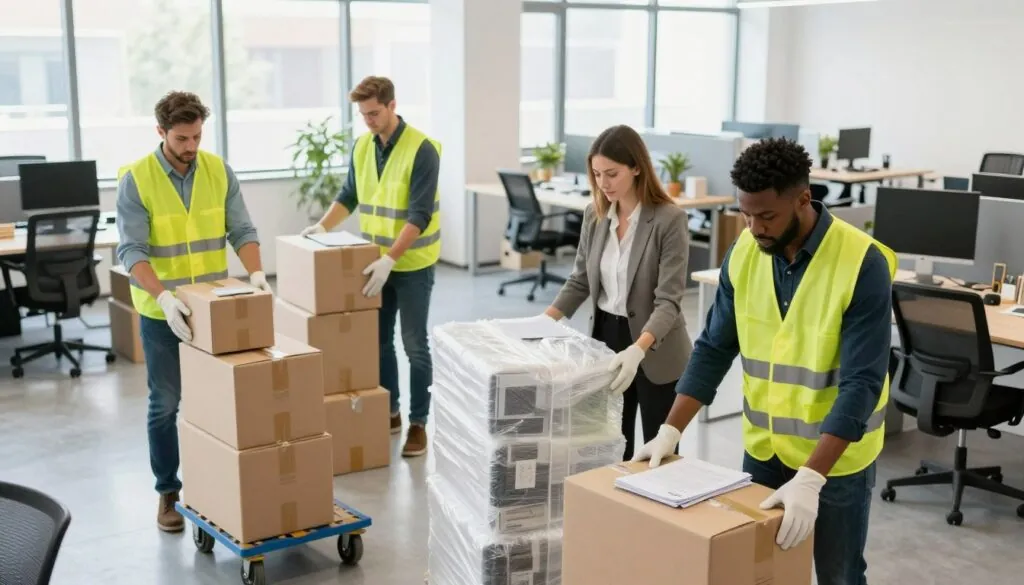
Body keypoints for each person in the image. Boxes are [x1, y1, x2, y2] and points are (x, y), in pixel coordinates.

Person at [632, 138, 896, 585]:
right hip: (766, 449)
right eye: (745, 214)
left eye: (767, 216)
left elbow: (862, 383)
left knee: (840, 574)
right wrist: (670, 430)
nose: (754, 228)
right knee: (761, 570)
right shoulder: (743, 254)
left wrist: (812, 478)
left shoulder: (862, 263)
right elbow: (715, 347)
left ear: (803, 199)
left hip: (835, 460)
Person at [115, 91, 272, 533]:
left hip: (214, 308)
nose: (191, 146)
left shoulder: (219, 170)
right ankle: (168, 491)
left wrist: (257, 274)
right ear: (161, 132)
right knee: (166, 404)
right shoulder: (137, 179)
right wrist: (164, 297)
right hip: (162, 312)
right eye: (182, 138)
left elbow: (241, 228)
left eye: (197, 136)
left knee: (220, 403)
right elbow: (132, 250)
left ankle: (218, 486)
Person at [300, 76, 441, 458]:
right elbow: (350, 195)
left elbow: (420, 214)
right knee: (378, 343)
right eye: (363, 115)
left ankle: (418, 423)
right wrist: (322, 226)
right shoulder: (363, 145)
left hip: (410, 264)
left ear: (393, 106)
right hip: (372, 263)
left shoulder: (422, 149)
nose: (369, 121)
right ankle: (390, 410)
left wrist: (391, 259)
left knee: (414, 345)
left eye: (374, 113)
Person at [542, 125, 692, 461]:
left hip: (656, 344)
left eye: (612, 174)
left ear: (636, 167)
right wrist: (542, 322)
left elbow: (668, 300)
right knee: (612, 448)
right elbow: (580, 279)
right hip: (607, 339)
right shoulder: (594, 216)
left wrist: (639, 349)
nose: (603, 184)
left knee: (659, 456)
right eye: (596, 174)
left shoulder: (669, 220)